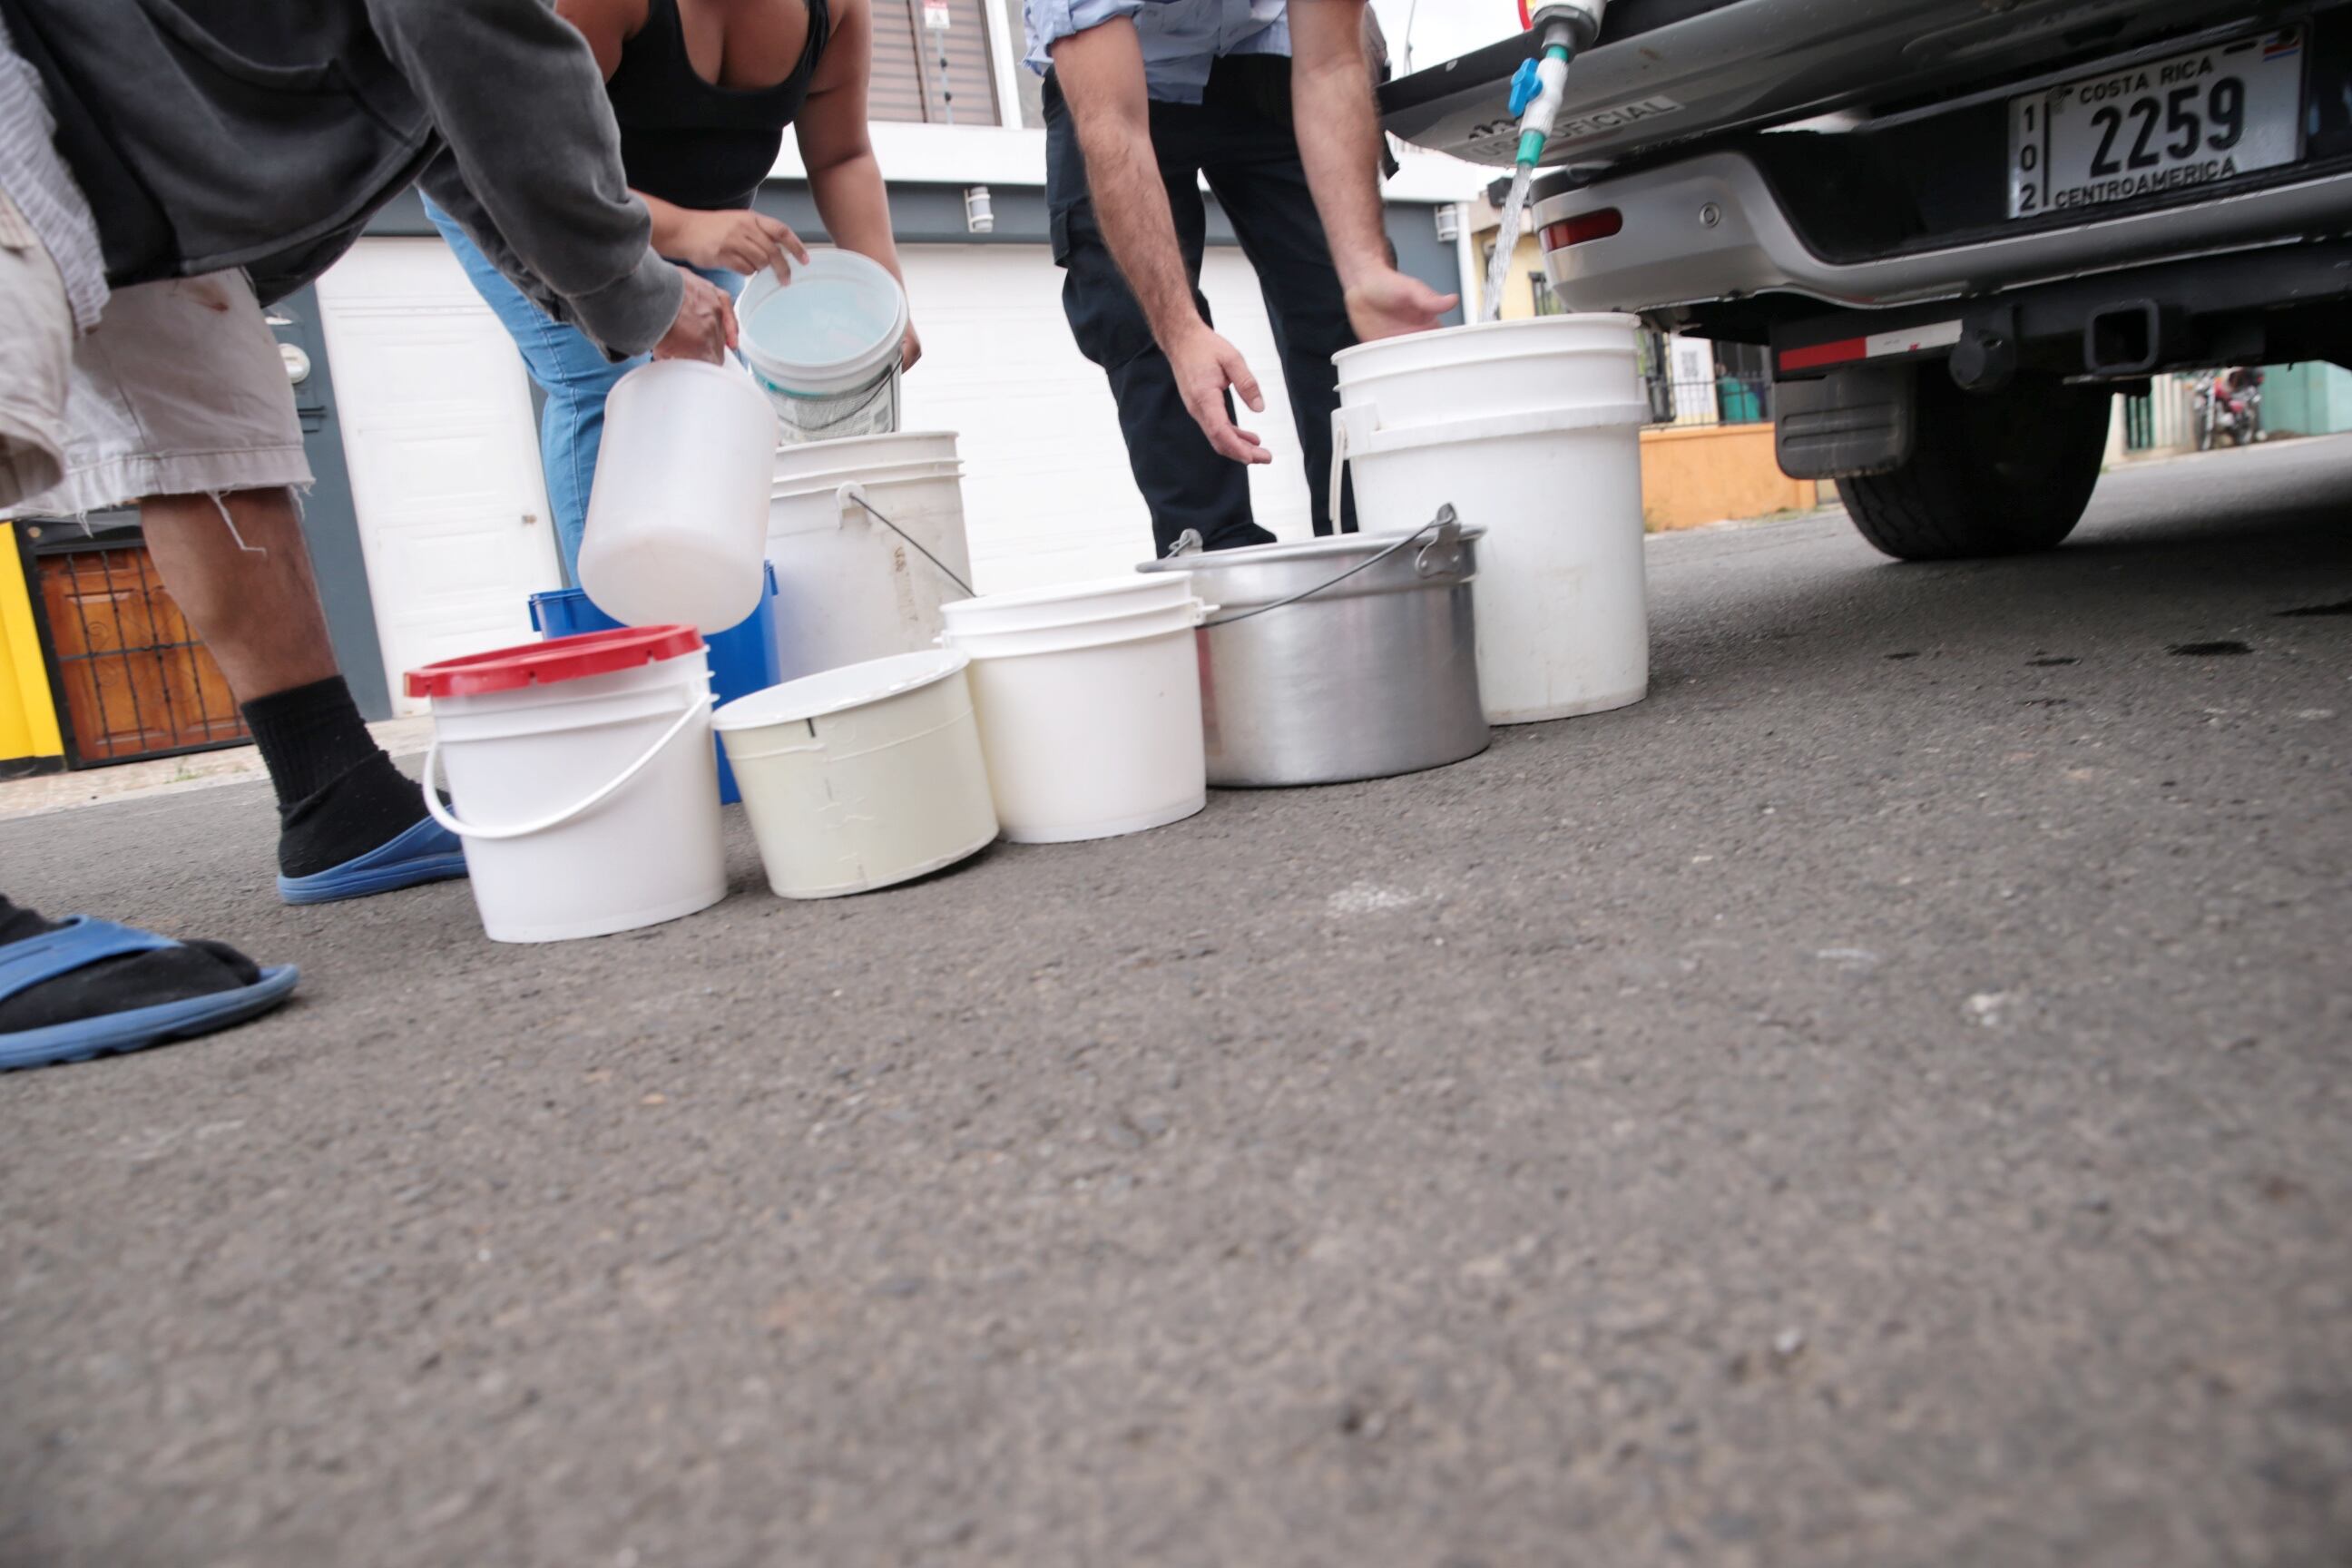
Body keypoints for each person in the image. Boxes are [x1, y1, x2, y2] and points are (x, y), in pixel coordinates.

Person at [0, 0, 739, 1068]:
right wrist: (631, 286)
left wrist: (609, 294)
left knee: (215, 400)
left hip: (122, 117)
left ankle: (334, 797)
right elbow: (487, 50)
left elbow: (456, 124)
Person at [426, 0, 919, 579]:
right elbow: (532, 163)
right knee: (605, 383)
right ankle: (626, 635)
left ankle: (708, 603)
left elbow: (843, 155)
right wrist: (689, 229)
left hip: (699, 222)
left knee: (703, 395)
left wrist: (886, 295)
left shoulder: (834, 11)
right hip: (522, 195)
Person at [1028, 0, 1456, 557]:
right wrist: (1180, 333)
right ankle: (1219, 565)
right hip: (1115, 74)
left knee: (1344, 314)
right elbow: (1116, 125)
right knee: (1140, 325)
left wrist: (1363, 270)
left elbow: (1329, 66)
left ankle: (1377, 550)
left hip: (1270, 50)